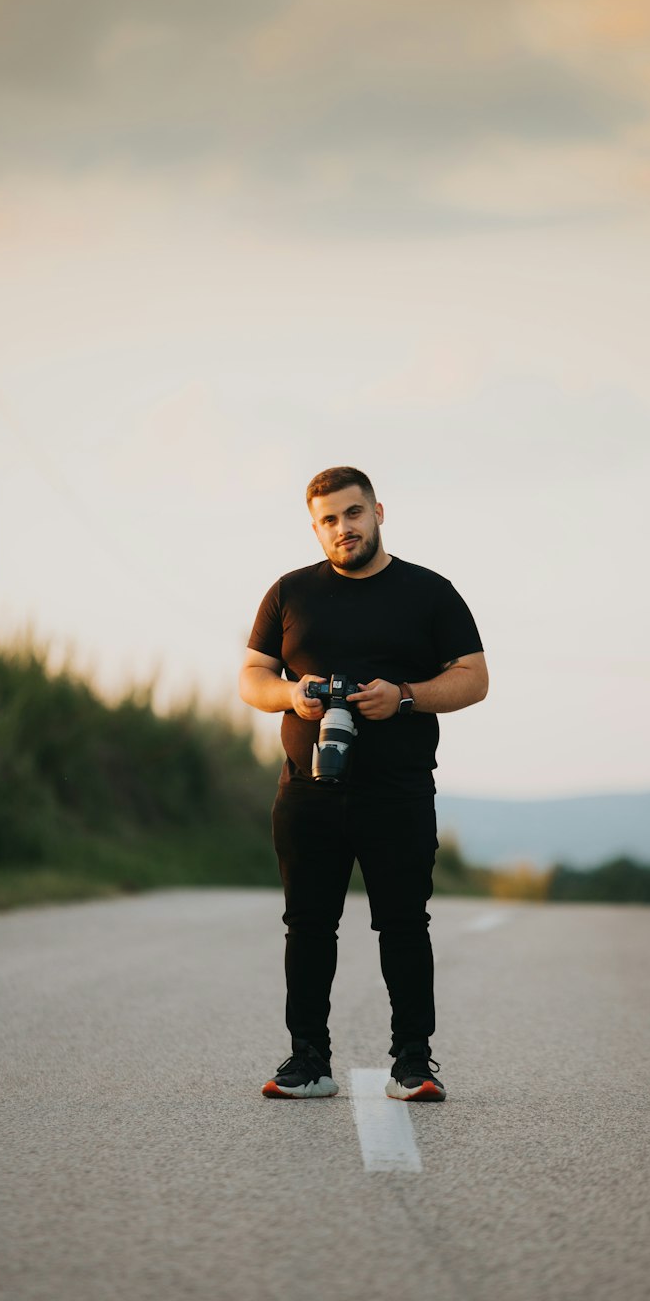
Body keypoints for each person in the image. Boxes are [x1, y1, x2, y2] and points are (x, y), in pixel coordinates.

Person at [239, 466, 488, 1102]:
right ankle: (308, 1061)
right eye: (328, 520)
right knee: (308, 926)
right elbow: (252, 679)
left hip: (398, 791)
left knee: (404, 923)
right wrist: (294, 695)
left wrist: (403, 697)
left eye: (353, 514)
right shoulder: (289, 593)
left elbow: (473, 678)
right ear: (315, 528)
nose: (342, 529)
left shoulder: (430, 592)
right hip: (307, 789)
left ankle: (413, 1063)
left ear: (378, 511)